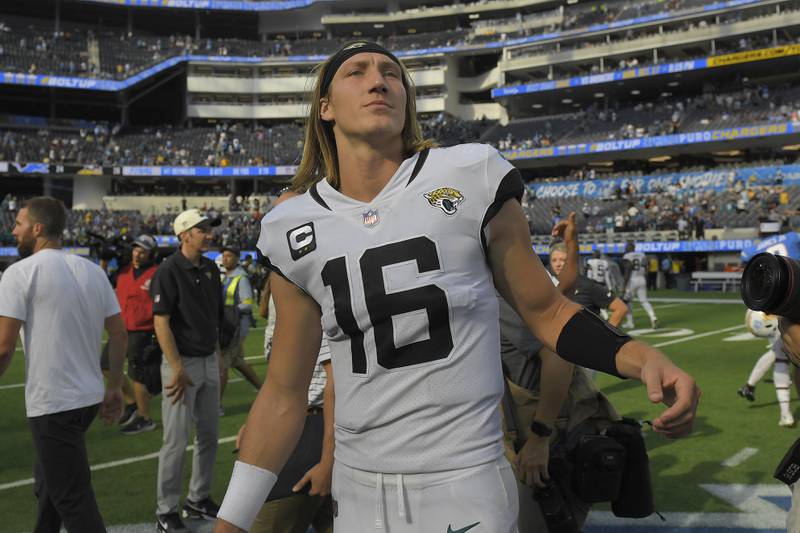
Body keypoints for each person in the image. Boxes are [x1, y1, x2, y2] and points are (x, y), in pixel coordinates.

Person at [214, 41, 699, 533]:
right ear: (325, 109)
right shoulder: (292, 224)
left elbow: (547, 311)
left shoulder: (470, 174)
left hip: (464, 479)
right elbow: (283, 392)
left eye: (391, 74)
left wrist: (640, 357)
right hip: (357, 491)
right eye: (356, 73)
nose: (378, 81)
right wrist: (231, 521)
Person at [0, 196, 127, 532]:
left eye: (19, 224)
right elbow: (118, 333)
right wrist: (114, 387)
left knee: (72, 498)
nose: (14, 230)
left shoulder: (19, 273)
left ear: (37, 228)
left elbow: (3, 347)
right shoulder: (92, 271)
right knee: (49, 483)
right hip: (86, 398)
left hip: (53, 402)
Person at [151, 208, 223, 532]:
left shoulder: (210, 268)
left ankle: (198, 497)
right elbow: (161, 321)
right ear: (184, 235)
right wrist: (177, 366)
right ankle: (166, 508)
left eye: (208, 228)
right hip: (183, 363)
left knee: (209, 435)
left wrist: (218, 359)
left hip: (208, 360)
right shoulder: (168, 270)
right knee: (176, 441)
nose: (209, 233)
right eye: (202, 228)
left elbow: (214, 318)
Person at [116, 234, 162, 435]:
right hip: (121, 329)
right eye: (136, 249)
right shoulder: (124, 271)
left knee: (138, 374)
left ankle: (145, 418)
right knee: (106, 364)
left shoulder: (156, 274)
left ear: (151, 254)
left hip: (143, 331)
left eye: (143, 251)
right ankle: (132, 402)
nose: (138, 254)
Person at [218, 246, 262, 412]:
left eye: (229, 256)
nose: (225, 258)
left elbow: (248, 303)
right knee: (238, 362)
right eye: (224, 256)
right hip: (228, 325)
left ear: (237, 258)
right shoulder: (226, 276)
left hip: (234, 327)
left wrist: (229, 310)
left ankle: (216, 406)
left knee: (221, 365)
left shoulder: (241, 278)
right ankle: (263, 390)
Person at [622, 242, 658, 329]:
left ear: (630, 248)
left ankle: (630, 322)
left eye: (626, 247)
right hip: (642, 279)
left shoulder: (627, 256)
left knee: (627, 301)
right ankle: (653, 317)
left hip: (632, 281)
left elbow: (627, 270)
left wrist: (624, 285)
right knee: (644, 301)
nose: (625, 249)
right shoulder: (642, 254)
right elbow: (646, 267)